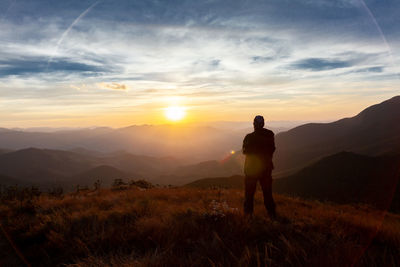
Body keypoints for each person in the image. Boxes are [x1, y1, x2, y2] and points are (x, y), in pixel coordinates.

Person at [242, 115, 276, 219]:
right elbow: (272, 149)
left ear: (254, 124)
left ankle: (248, 216)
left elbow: (244, 151)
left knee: (249, 194)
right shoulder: (270, 134)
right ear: (263, 124)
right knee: (267, 193)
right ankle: (272, 215)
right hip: (266, 168)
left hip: (252, 170)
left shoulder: (249, 137)